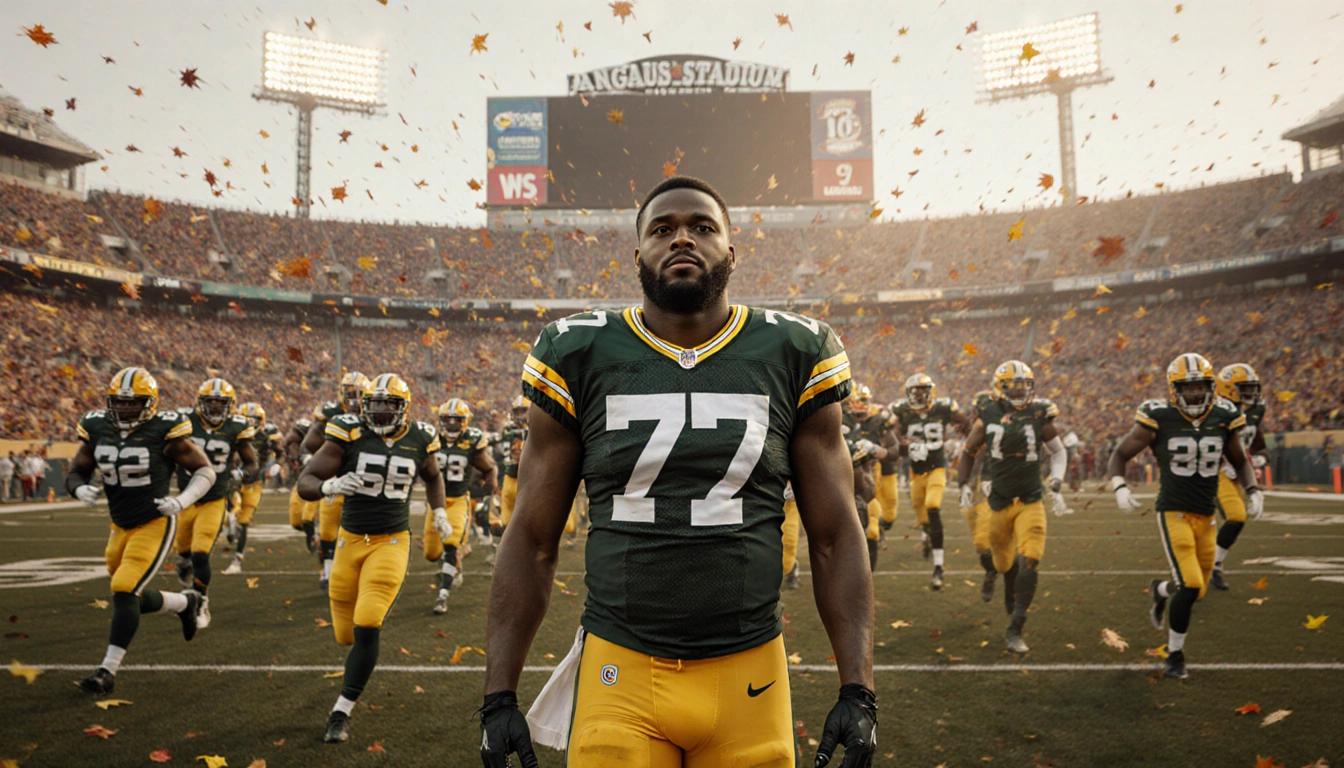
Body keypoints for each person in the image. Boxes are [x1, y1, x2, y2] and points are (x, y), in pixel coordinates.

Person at [480, 176, 876, 768]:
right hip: (621, 672)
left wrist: (859, 689)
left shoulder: (796, 349)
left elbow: (835, 534)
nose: (682, 239)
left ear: (731, 252)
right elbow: (533, 539)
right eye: (662, 229)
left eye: (703, 227)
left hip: (751, 671)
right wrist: (497, 695)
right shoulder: (577, 351)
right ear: (638, 253)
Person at [298, 373, 446, 744]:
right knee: (345, 634)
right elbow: (307, 479)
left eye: (387, 404)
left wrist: (439, 511)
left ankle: (341, 711)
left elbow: (432, 476)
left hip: (391, 541)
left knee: (368, 621)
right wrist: (328, 486)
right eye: (373, 404)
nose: (379, 412)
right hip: (350, 542)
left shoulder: (421, 436)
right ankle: (349, 687)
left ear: (403, 407)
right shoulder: (348, 431)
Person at [1107, 353, 1261, 679]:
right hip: (1174, 512)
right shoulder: (1158, 416)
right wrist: (1120, 486)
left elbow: (1241, 459)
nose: (1194, 394)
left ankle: (1160, 590)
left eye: (1200, 386)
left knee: (1197, 591)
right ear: (1173, 388)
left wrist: (1253, 490)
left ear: (1211, 386)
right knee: (1190, 586)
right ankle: (1175, 655)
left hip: (1207, 517)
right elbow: (1121, 453)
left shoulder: (1224, 414)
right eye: (1187, 388)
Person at [65, 367, 215, 694]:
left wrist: (183, 500)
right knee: (128, 595)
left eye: (134, 404)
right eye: (120, 402)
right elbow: (77, 470)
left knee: (124, 586)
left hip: (155, 521)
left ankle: (107, 670)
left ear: (151, 404)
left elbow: (205, 470)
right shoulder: (96, 426)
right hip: (119, 525)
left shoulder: (165, 430)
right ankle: (184, 603)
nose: (126, 409)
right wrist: (79, 490)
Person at [956, 361, 1070, 653]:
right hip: (999, 503)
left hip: (1031, 499)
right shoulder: (988, 413)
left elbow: (1058, 451)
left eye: (1025, 386)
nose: (1020, 392)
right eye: (1013, 386)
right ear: (1000, 388)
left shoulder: (1039, 413)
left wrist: (1056, 482)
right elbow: (968, 452)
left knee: (1031, 558)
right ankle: (1005, 583)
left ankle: (1016, 627)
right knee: (1003, 564)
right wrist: (963, 485)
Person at [173, 379, 257, 628]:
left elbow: (251, 463)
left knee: (201, 554)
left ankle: (202, 602)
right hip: (186, 499)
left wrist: (238, 475)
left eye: (222, 403)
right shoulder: (183, 422)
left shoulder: (236, 427)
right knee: (183, 555)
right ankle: (185, 572)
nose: (217, 408)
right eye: (212, 402)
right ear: (201, 402)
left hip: (214, 498)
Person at [889, 373, 972, 590]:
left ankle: (938, 567)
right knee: (922, 513)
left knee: (933, 506)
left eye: (921, 393)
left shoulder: (943, 408)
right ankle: (926, 533)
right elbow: (893, 440)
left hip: (937, 468)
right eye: (914, 393)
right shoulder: (903, 411)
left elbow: (967, 425)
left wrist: (968, 440)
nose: (917, 397)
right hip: (917, 474)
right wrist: (906, 447)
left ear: (930, 393)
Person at [303, 372, 371, 592]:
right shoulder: (331, 413)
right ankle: (327, 569)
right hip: (335, 478)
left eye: (360, 394)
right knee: (328, 531)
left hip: (364, 482)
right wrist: (317, 461)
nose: (354, 399)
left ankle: (362, 569)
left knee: (364, 530)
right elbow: (310, 442)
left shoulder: (376, 414)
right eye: (350, 393)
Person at [428, 398, 496, 614]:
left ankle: (443, 596)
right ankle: (452, 564)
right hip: (435, 501)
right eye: (447, 420)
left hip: (458, 499)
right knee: (430, 553)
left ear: (465, 422)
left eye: (456, 420)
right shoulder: (431, 438)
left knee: (451, 543)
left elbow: (488, 467)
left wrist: (490, 484)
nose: (451, 424)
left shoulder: (472, 440)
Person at [1209, 363, 1268, 591]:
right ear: (1229, 388)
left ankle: (1214, 565)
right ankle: (1209, 565)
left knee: (1236, 519)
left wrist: (1261, 457)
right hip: (1217, 472)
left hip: (1238, 472)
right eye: (1245, 388)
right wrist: (1224, 460)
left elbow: (1256, 440)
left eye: (1252, 388)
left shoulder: (1249, 411)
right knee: (1234, 516)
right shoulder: (1216, 411)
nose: (1251, 393)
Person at [224, 402, 281, 575]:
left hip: (254, 484)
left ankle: (238, 559)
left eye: (253, 420)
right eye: (246, 419)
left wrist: (274, 464)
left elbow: (280, 452)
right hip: (235, 480)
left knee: (244, 522)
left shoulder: (267, 435)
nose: (250, 423)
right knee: (231, 513)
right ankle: (229, 523)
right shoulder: (233, 433)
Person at [842, 384, 898, 555]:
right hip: (844, 480)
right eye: (858, 401)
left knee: (873, 527)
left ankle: (868, 575)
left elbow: (894, 450)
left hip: (868, 479)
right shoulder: (839, 419)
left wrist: (879, 451)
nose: (861, 406)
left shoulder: (877, 420)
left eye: (864, 401)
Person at [282, 416, 319, 550]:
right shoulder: (298, 448)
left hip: (316, 483)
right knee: (295, 522)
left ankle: (314, 537)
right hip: (302, 482)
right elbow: (285, 443)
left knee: (307, 519)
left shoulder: (318, 444)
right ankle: (314, 534)